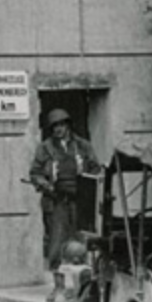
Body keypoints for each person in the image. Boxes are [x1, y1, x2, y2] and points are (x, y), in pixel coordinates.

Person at [29, 109, 101, 272]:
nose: (58, 129)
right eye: (54, 126)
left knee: (83, 241)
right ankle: (58, 284)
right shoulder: (45, 148)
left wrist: (88, 182)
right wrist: (46, 184)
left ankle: (83, 282)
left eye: (61, 125)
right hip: (57, 200)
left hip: (80, 200)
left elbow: (95, 168)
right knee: (56, 242)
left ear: (68, 125)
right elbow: (35, 173)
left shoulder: (82, 146)